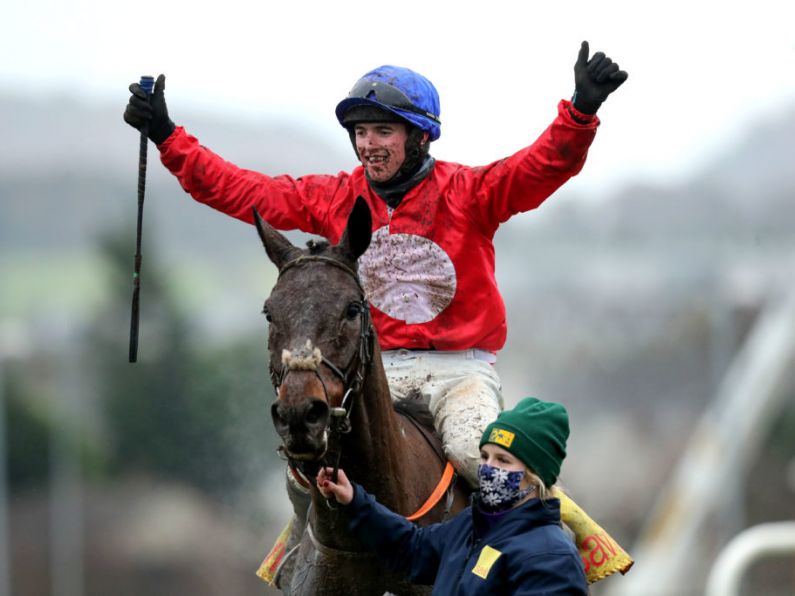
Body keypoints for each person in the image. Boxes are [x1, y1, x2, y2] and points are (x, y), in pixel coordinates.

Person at [123, 42, 628, 491]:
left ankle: (547, 539)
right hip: (373, 370)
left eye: (382, 131)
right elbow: (244, 191)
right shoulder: (335, 196)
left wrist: (580, 111)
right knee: (306, 476)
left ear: (421, 138)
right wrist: (168, 135)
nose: (368, 144)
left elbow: (541, 167)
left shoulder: (470, 193)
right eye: (361, 132)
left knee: (482, 466)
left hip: (460, 374)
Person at [317, 397, 588, 594]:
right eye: (484, 456)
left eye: (503, 460)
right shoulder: (470, 525)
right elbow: (413, 548)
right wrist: (354, 500)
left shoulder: (551, 558)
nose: (488, 468)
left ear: (534, 476)